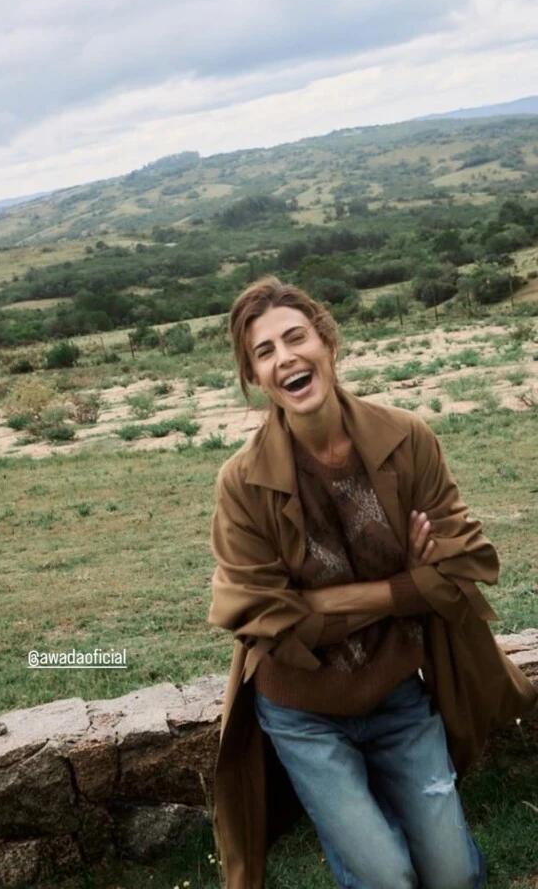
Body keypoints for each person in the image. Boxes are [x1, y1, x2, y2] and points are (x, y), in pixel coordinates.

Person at [208, 276, 536, 889]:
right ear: (256, 379)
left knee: (456, 875)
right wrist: (407, 584)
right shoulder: (242, 483)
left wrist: (327, 601)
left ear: (327, 344)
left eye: (295, 337)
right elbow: (264, 620)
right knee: (386, 877)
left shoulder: (406, 438)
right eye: (264, 352)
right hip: (303, 713)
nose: (286, 358)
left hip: (396, 693)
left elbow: (464, 562)